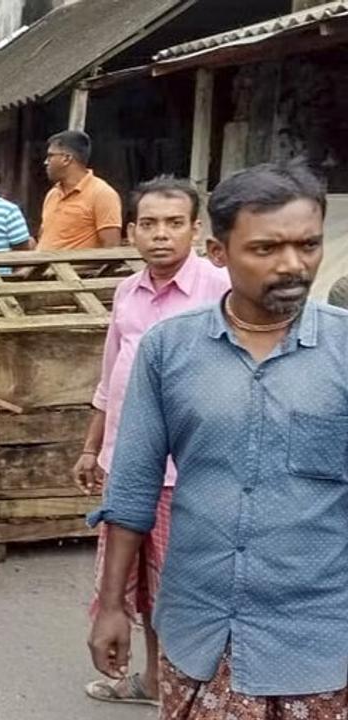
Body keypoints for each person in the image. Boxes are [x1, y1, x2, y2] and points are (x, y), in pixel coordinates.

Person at [88, 162, 347, 720]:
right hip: (198, 631)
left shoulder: (344, 351)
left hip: (320, 640)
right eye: (266, 249)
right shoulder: (169, 350)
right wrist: (111, 605)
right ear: (219, 252)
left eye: (307, 245)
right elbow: (133, 487)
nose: (291, 265)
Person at [74, 176, 230, 707]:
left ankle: (195, 690)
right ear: (132, 231)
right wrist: (92, 447)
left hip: (188, 473)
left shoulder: (220, 288)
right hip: (128, 466)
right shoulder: (127, 291)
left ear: (196, 229)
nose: (160, 235)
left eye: (174, 223)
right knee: (138, 586)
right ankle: (154, 680)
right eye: (148, 224)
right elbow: (110, 374)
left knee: (183, 590)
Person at [39, 130, 123, 251]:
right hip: (45, 268)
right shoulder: (53, 194)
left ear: (66, 159)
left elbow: (111, 246)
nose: (46, 162)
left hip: (76, 270)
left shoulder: (102, 194)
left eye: (51, 156)